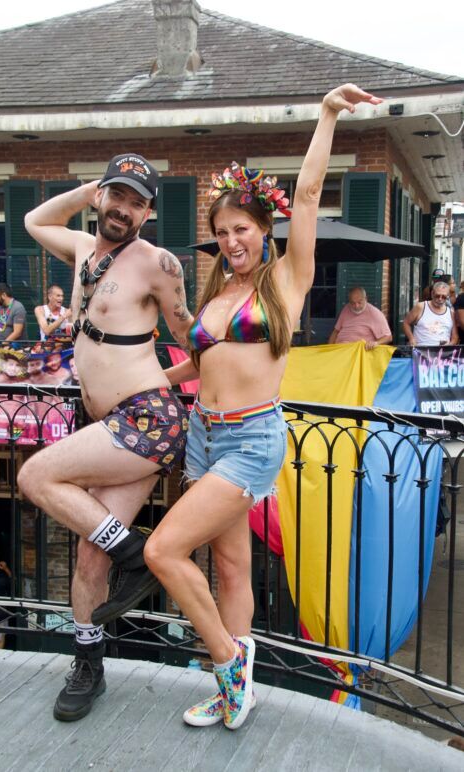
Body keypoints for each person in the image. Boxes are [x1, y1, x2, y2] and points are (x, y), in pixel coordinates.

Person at [140, 85, 382, 731]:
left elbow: (306, 193)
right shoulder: (219, 290)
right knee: (228, 567)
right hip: (202, 435)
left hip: (250, 440)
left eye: (239, 229)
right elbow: (202, 361)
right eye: (219, 233)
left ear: (262, 228)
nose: (228, 241)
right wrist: (152, 378)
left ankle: (226, 667)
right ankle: (231, 695)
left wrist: (326, 114)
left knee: (162, 551)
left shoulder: (285, 280)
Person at [17, 152, 193, 722]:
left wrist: (157, 383)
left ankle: (136, 553)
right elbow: (34, 222)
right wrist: (93, 186)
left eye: (137, 202)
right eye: (116, 196)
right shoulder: (80, 250)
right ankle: (89, 664)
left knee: (34, 475)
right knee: (91, 557)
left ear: (149, 213)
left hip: (146, 419)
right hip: (109, 426)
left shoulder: (159, 265)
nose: (123, 209)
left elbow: (197, 346)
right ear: (101, 198)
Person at [327, 286, 392, 350]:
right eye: (353, 303)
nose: (356, 306)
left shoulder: (374, 313)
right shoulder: (346, 308)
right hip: (340, 349)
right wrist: (329, 349)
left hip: (358, 352)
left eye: (359, 302)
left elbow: (388, 337)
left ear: (366, 299)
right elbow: (336, 331)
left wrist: (376, 343)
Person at [403, 282, 458, 346]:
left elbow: (455, 337)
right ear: (432, 294)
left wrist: (449, 346)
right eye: (437, 296)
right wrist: (411, 339)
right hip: (421, 351)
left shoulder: (451, 312)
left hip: (442, 353)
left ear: (447, 297)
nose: (440, 299)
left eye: (444, 297)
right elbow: (406, 323)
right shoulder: (421, 307)